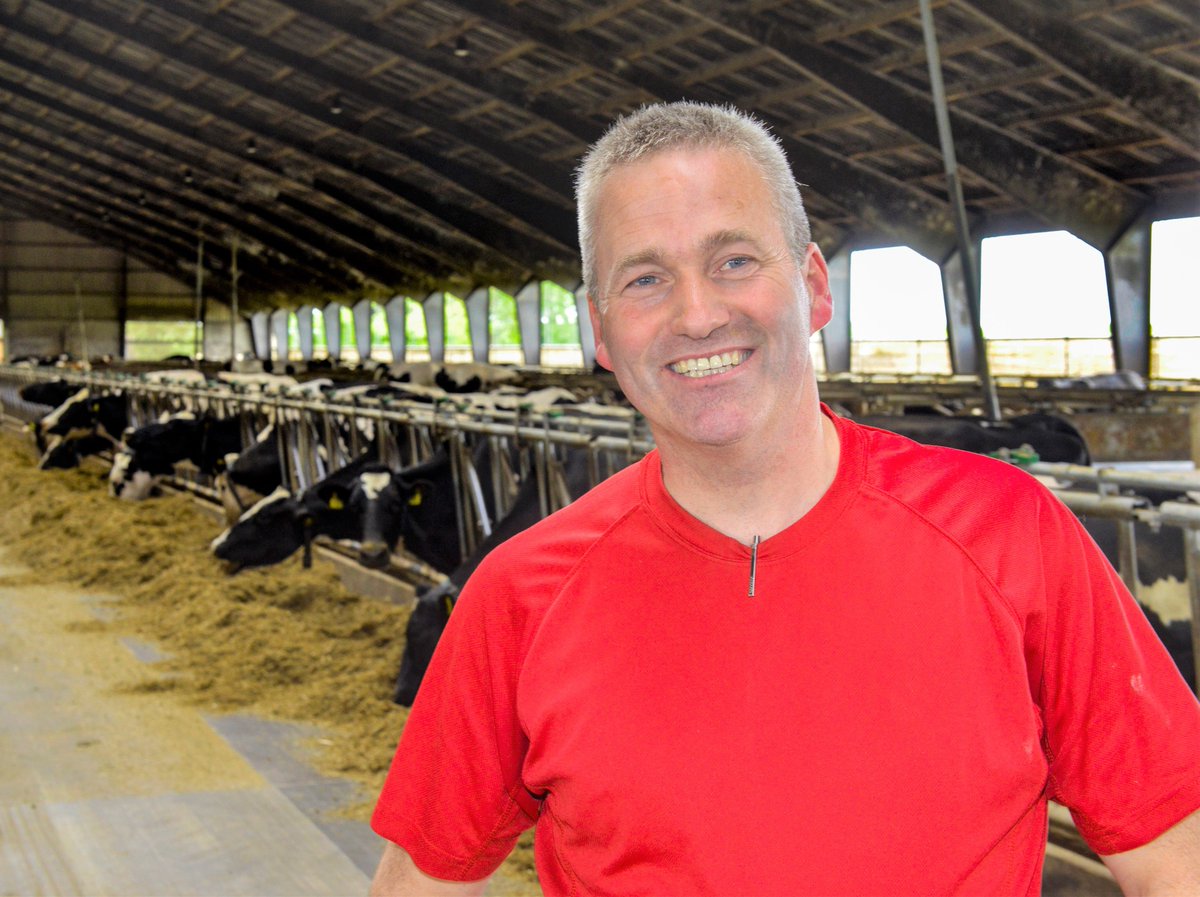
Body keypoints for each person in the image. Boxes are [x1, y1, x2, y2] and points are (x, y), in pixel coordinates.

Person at [369, 101, 1200, 896]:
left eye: (735, 260)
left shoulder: (1008, 533)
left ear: (814, 284)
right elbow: (421, 876)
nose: (698, 314)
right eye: (646, 279)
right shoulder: (521, 595)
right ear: (599, 329)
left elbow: (1174, 851)